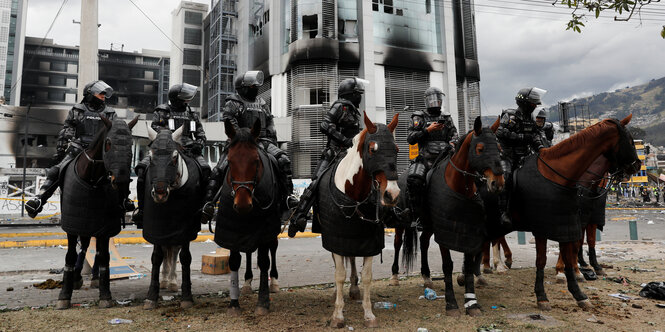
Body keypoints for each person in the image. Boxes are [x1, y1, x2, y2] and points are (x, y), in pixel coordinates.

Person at [203, 70, 296, 222]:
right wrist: (243, 139)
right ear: (243, 87)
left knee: (284, 159)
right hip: (239, 144)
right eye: (252, 86)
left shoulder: (262, 103)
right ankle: (209, 203)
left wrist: (272, 135)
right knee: (219, 169)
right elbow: (230, 121)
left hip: (263, 142)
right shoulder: (233, 102)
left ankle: (287, 197)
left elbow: (269, 120)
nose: (256, 88)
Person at [25, 80, 127, 218]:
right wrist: (61, 150)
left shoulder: (110, 112)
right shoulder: (77, 110)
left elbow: (115, 132)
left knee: (120, 172)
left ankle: (125, 201)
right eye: (100, 94)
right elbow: (67, 128)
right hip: (78, 148)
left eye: (104, 94)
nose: (103, 96)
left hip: (102, 152)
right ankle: (39, 200)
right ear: (90, 94)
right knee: (56, 170)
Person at [287, 77, 368, 237]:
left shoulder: (354, 111)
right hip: (334, 153)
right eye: (358, 94)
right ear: (351, 94)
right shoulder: (340, 106)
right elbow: (324, 125)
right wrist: (344, 140)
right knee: (316, 183)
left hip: (350, 154)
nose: (360, 96)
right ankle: (298, 217)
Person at [132, 83, 210, 226]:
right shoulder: (162, 111)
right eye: (185, 98)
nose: (187, 101)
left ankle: (204, 208)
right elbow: (155, 131)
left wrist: (199, 143)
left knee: (206, 170)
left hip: (190, 150)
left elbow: (201, 134)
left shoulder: (192, 114)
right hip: (164, 151)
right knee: (142, 170)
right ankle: (142, 210)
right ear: (177, 99)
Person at [403, 86, 458, 223]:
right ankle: (416, 216)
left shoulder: (446, 117)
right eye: (433, 100)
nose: (436, 103)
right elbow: (410, 139)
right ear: (427, 101)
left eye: (438, 100)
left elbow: (455, 136)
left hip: (446, 158)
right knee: (414, 180)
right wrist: (427, 130)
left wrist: (452, 144)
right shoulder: (419, 117)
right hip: (425, 158)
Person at [496, 87, 547, 227]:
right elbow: (500, 133)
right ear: (524, 103)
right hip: (508, 155)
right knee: (505, 178)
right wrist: (521, 137)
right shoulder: (510, 115)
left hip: (525, 155)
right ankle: (503, 212)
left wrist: (541, 148)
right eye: (533, 103)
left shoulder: (530, 118)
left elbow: (535, 135)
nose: (535, 106)